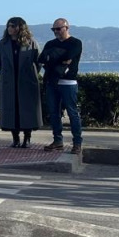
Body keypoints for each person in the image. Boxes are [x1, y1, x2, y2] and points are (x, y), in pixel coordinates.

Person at [0, 17, 42, 149]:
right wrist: (6, 75)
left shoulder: (31, 43)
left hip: (26, 83)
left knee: (27, 111)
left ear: (20, 28)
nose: (10, 28)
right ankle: (15, 138)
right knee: (11, 111)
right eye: (9, 26)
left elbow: (38, 63)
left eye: (13, 26)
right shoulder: (2, 44)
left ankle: (27, 138)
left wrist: (30, 76)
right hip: (9, 84)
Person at [39, 18, 83, 154]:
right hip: (52, 82)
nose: (56, 32)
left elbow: (69, 57)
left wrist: (51, 58)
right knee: (54, 113)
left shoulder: (75, 43)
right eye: (54, 29)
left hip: (68, 83)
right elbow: (41, 60)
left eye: (59, 29)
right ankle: (58, 141)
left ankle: (77, 143)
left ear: (67, 28)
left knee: (72, 113)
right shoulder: (50, 43)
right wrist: (59, 60)